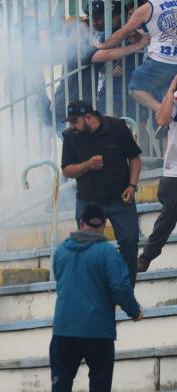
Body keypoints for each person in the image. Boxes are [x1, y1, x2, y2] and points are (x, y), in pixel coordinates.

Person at [50, 203, 143, 392]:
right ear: (104, 225)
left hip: (64, 330)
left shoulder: (60, 252)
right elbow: (120, 287)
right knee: (100, 383)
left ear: (81, 223)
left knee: (61, 384)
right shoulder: (108, 253)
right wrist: (134, 311)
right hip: (98, 331)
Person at [61, 100, 142, 286]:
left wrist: (132, 186)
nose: (72, 126)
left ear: (88, 117)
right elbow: (66, 170)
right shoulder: (70, 136)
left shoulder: (116, 127)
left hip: (120, 198)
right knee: (87, 247)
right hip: (88, 202)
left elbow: (134, 158)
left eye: (75, 122)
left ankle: (126, 288)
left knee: (129, 241)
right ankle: (94, 289)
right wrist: (87, 165)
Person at [52, 0, 150, 136]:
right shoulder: (81, 50)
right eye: (81, 29)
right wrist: (137, 46)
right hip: (67, 109)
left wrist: (106, 66)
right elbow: (106, 54)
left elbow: (102, 59)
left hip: (75, 107)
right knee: (78, 145)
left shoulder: (84, 45)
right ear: (71, 36)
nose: (88, 27)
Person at [96, 0, 177, 137]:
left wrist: (100, 46)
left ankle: (165, 113)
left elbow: (123, 32)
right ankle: (169, 115)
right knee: (167, 94)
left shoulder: (148, 8)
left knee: (135, 88)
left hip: (160, 61)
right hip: (172, 61)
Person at [137, 74, 177, 272]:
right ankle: (147, 256)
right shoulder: (174, 98)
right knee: (169, 216)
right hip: (175, 172)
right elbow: (162, 118)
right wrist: (171, 89)